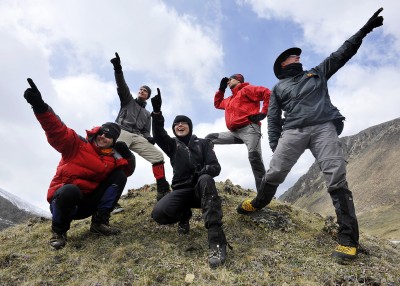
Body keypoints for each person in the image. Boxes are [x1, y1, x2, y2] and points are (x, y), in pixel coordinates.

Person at [236, 8, 384, 260]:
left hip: (324, 127)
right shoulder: (278, 87)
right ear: (282, 64)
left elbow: (341, 53)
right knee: (275, 172)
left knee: (336, 175)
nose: (297, 57)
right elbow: (273, 118)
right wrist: (275, 144)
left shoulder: (317, 72)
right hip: (292, 130)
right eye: (292, 56)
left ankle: (348, 238)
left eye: (297, 55)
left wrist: (364, 31)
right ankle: (260, 201)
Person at [23, 78, 135, 250]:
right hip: (64, 201)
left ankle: (99, 223)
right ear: (96, 133)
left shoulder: (111, 158)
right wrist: (41, 107)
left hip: (87, 204)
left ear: (113, 142)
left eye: (109, 136)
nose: (103, 137)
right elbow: (57, 130)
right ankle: (58, 232)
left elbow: (126, 172)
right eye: (102, 133)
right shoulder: (76, 145)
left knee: (119, 175)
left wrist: (127, 155)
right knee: (70, 190)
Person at [149, 91, 228, 268]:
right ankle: (184, 215)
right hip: (181, 191)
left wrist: (202, 172)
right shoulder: (172, 145)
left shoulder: (203, 143)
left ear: (190, 126)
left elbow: (216, 168)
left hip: (202, 189)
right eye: (176, 124)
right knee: (159, 214)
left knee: (207, 178)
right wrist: (156, 113)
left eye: (183, 123)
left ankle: (216, 241)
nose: (180, 125)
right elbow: (159, 135)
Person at [110, 52, 170, 202]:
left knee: (158, 156)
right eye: (141, 89)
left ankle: (162, 189)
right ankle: (110, 197)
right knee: (115, 161)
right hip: (121, 131)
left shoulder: (147, 114)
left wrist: (148, 138)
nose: (142, 91)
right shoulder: (127, 100)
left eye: (145, 91)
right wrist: (118, 69)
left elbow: (145, 132)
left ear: (148, 96)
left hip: (137, 137)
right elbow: (121, 85)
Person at [205, 74, 271, 191]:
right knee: (208, 139)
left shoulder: (247, 89)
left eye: (231, 79)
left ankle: (263, 194)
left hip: (250, 129)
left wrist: (264, 112)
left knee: (255, 159)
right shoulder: (230, 99)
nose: (228, 81)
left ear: (239, 80)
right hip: (235, 133)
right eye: (228, 80)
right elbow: (217, 103)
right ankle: (206, 169)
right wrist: (221, 89)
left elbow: (267, 92)